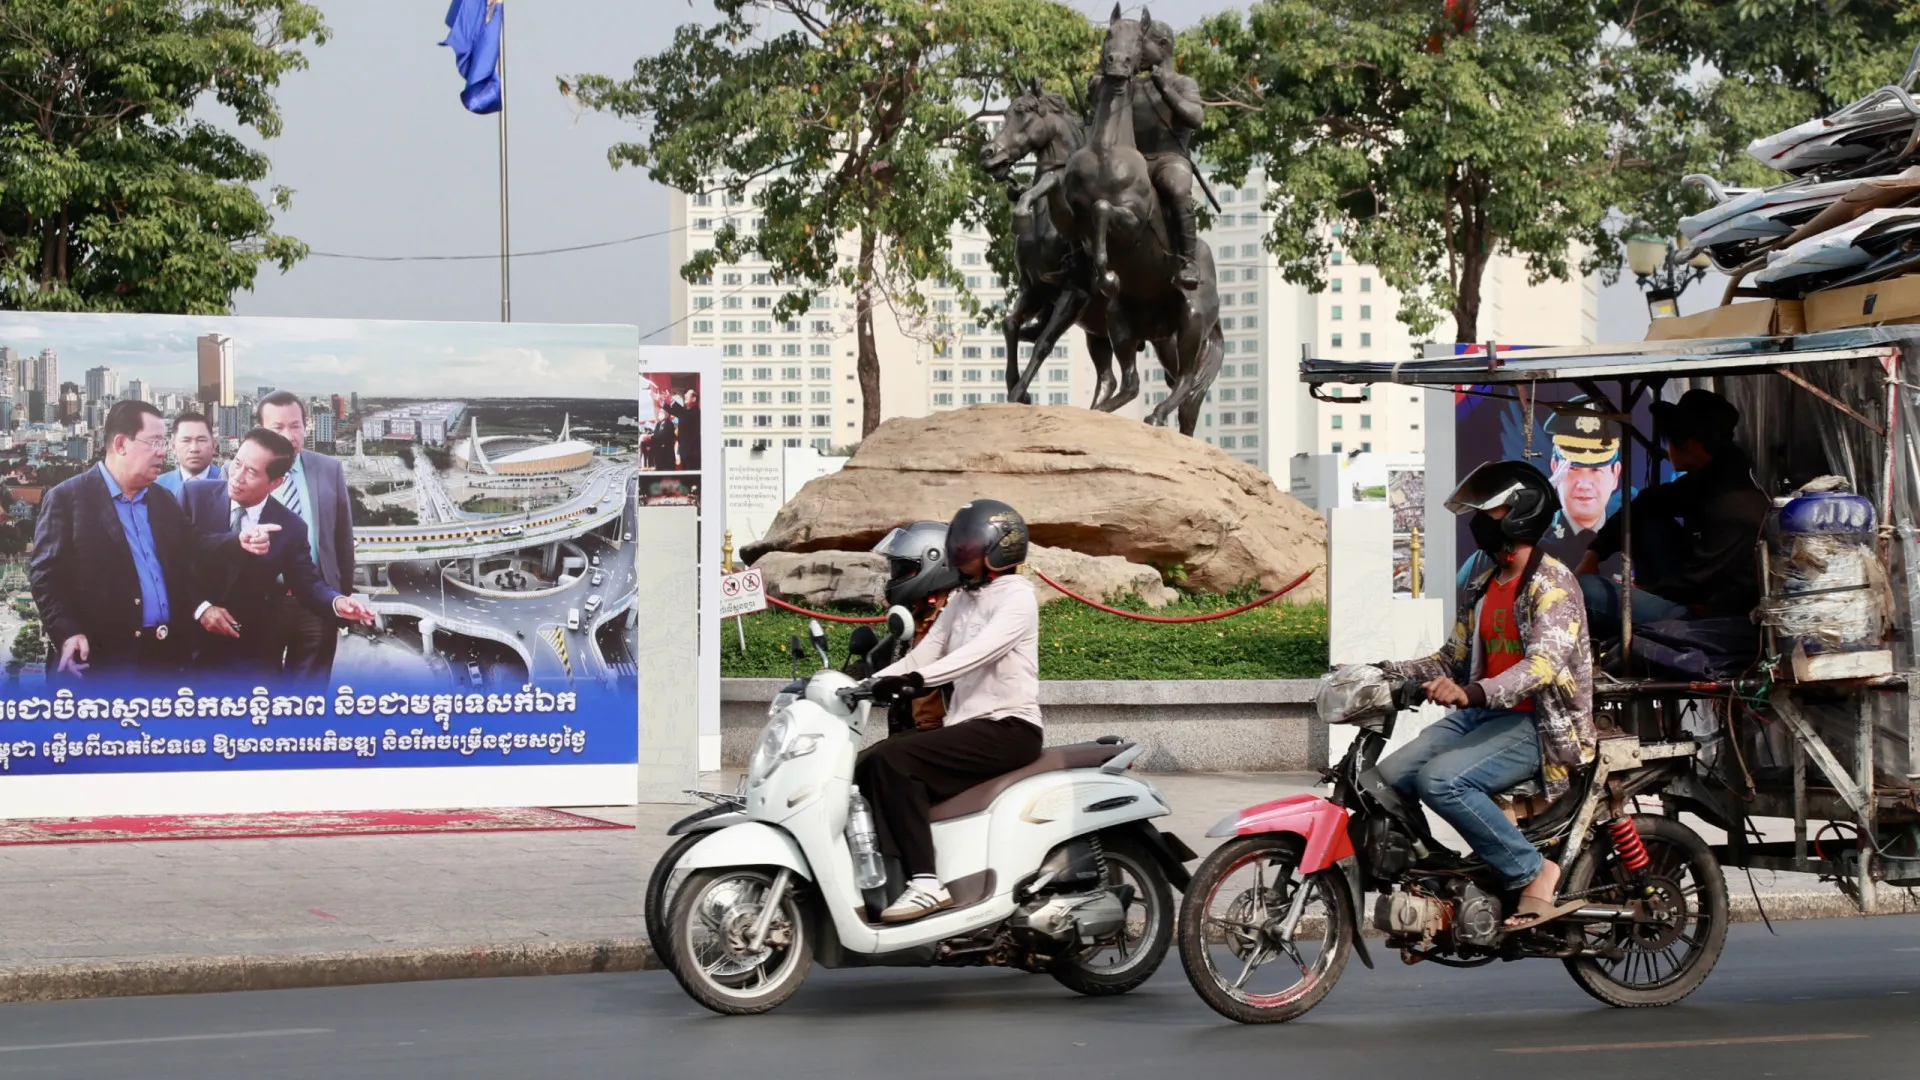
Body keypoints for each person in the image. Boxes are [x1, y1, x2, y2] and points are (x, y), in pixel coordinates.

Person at [1375, 461, 1596, 928]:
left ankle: (1534, 870)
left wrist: (1471, 692)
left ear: (1521, 513)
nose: (1479, 523)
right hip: (1484, 714)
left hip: (1538, 724)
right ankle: (1443, 871)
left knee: (1441, 780)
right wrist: (1382, 672)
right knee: (1388, 777)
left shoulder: (1553, 584)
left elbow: (1542, 667)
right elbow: (1451, 659)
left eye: (1490, 512)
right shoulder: (1482, 577)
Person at [856, 499, 1044, 922]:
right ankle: (890, 873)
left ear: (1000, 549)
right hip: (969, 725)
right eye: (958, 545)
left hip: (1009, 727)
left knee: (895, 760)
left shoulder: (1018, 597)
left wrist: (916, 683)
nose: (961, 554)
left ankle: (926, 883)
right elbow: (923, 655)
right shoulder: (960, 599)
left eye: (969, 546)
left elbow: (977, 654)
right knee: (865, 765)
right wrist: (861, 685)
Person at [28, 401, 258, 683]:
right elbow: (44, 576)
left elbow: (193, 547)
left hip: (163, 659)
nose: (163, 452)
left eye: (163, 442)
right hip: (99, 663)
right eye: (154, 442)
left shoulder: (161, 499)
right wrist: (67, 632)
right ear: (121, 443)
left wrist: (238, 540)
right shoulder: (69, 499)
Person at [180, 428, 377, 676]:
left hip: (249, 657)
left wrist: (337, 602)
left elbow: (308, 583)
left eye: (251, 472)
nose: (237, 477)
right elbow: (172, 559)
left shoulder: (290, 527)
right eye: (237, 463)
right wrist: (201, 608)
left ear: (276, 483)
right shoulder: (193, 496)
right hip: (188, 648)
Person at [1575, 388, 1770, 630]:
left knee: (1586, 591)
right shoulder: (1709, 478)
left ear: (1687, 445)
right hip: (1689, 593)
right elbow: (1646, 502)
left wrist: (1645, 593)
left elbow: (1698, 585)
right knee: (1647, 519)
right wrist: (1594, 553)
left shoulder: (1733, 505)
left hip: (1711, 619)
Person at [1088, 18, 1204, 289]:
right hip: (1133, 162)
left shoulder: (1182, 83)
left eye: (1142, 43)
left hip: (1167, 159)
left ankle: (1189, 260)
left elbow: (1196, 117)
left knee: (1176, 188)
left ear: (1162, 47)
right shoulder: (1130, 85)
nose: (1136, 49)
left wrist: (1164, 89)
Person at [256, 391, 359, 684]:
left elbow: (343, 538)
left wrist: (340, 594)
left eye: (295, 426)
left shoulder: (328, 469)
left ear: (306, 425)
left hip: (317, 600)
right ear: (261, 431)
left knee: (309, 694)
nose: (288, 435)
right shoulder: (241, 471)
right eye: (277, 428)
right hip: (261, 603)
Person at [864, 520, 962, 735]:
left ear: (934, 563)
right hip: (913, 731)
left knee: (875, 763)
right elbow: (888, 663)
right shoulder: (918, 615)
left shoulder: (959, 617)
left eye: (902, 569)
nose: (895, 577)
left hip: (948, 732)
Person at [1538, 396, 1622, 567]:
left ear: (1616, 474)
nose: (1584, 484)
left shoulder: (1632, 535)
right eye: (1573, 469)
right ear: (1555, 467)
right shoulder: (1535, 536)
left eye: (1596, 469)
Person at [153, 411, 224, 498]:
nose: (194, 449)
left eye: (201, 440)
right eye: (186, 441)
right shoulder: (157, 487)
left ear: (213, 445)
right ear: (173, 446)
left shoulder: (228, 483)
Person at [665, 387, 701, 470]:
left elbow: (682, 413)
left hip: (693, 453)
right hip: (684, 451)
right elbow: (675, 411)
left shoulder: (695, 412)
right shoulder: (685, 412)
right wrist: (664, 402)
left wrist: (671, 400)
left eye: (687, 394)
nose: (684, 395)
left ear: (694, 398)